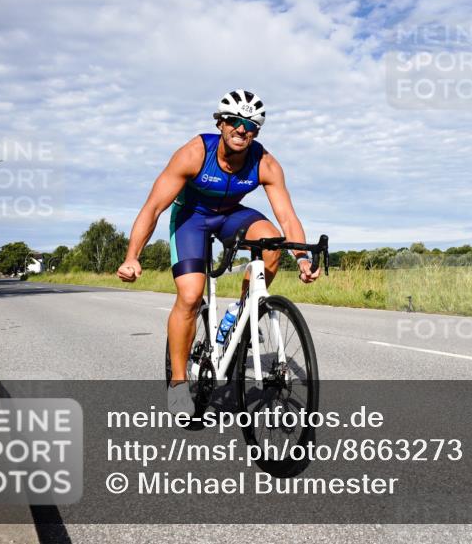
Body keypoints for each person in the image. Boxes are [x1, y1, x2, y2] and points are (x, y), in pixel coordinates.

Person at [116, 90, 320, 416]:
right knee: (191, 295)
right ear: (221, 123)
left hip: (230, 214)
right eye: (235, 122)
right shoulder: (195, 153)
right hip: (191, 218)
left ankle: (244, 310)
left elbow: (287, 217)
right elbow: (153, 207)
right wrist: (132, 256)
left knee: (271, 241)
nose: (242, 129)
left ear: (257, 131)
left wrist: (302, 259)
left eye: (250, 125)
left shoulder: (264, 162)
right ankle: (179, 382)